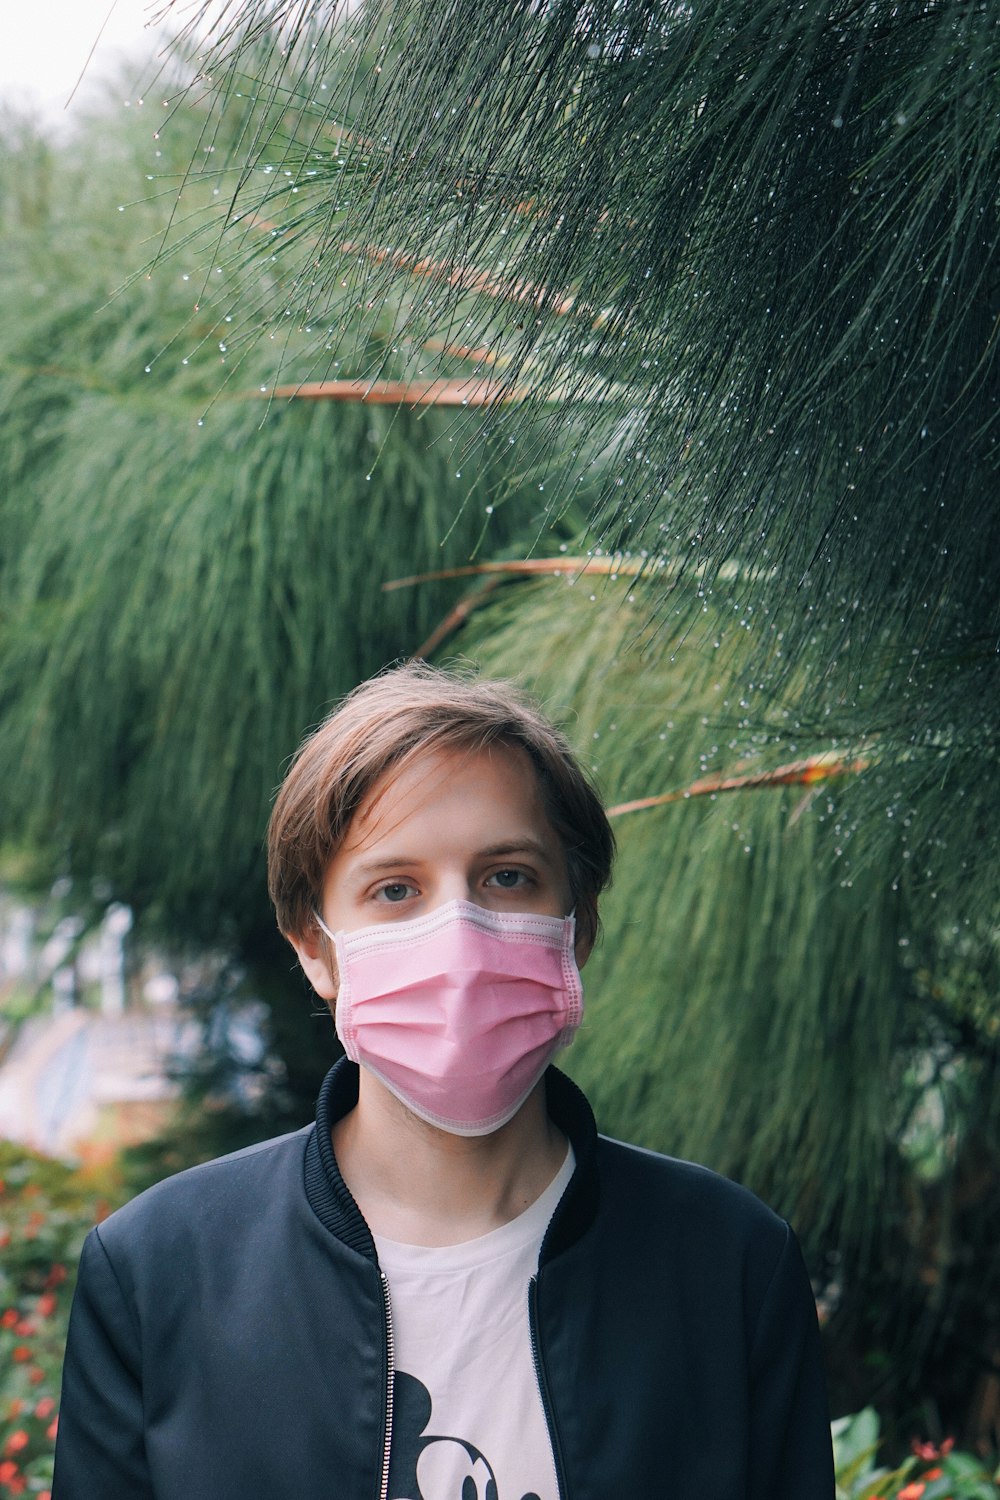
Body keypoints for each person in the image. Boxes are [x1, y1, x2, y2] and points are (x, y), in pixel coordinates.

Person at [53, 663, 834, 1499]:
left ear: (579, 923)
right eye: (395, 890)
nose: (459, 938)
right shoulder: (156, 1274)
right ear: (315, 950)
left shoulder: (731, 1263)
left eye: (508, 877)